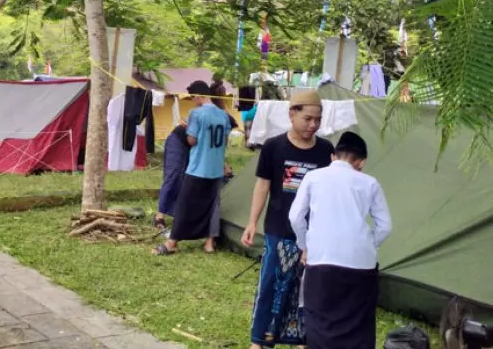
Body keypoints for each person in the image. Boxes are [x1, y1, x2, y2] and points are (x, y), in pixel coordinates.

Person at [241, 89, 334, 349]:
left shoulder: (326, 151)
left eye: (318, 119)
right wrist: (252, 222)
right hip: (278, 228)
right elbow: (263, 186)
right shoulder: (273, 146)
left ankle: (303, 339)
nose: (313, 125)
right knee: (270, 284)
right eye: (308, 119)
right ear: (292, 114)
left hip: (314, 233)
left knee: (307, 289)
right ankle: (259, 340)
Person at [289, 131, 392, 349]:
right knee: (358, 323)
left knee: (319, 319)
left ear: (333, 156)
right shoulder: (370, 183)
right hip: (361, 265)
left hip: (321, 260)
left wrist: (305, 246)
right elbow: (384, 226)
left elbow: (295, 217)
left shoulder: (313, 177)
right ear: (361, 162)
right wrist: (366, 245)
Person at [152, 81, 231, 255]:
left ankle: (172, 243)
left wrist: (190, 130)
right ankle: (209, 243)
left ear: (198, 95)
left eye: (193, 97)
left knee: (185, 203)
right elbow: (225, 141)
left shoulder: (196, 113)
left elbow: (191, 140)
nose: (193, 101)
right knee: (212, 204)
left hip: (198, 167)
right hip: (215, 168)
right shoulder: (223, 115)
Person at [153, 122, 191, 231]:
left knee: (187, 179)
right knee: (173, 176)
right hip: (178, 140)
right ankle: (159, 216)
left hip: (192, 144)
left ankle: (180, 214)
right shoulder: (202, 116)